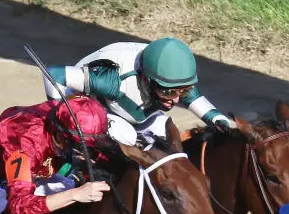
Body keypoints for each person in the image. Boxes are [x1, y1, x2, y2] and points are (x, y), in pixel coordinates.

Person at [43, 37, 252, 150]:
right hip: (93, 107)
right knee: (127, 135)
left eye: (183, 90)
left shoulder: (172, 79)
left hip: (131, 111)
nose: (177, 99)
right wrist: (57, 117)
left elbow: (196, 100)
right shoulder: (112, 79)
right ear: (145, 78)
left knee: (167, 134)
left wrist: (220, 120)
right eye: (168, 91)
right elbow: (54, 74)